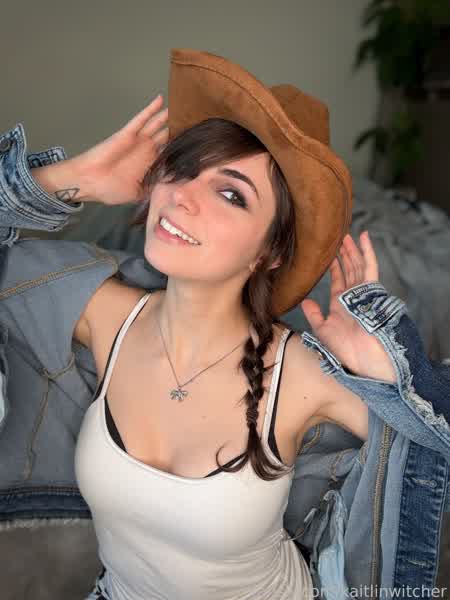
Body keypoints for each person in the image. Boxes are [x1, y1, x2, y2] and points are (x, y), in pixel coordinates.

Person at [1, 49, 449, 599]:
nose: (181, 196)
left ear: (270, 253)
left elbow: (435, 460)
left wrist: (393, 378)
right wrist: (70, 180)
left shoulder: (300, 375)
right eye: (182, 170)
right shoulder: (99, 313)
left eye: (231, 194)